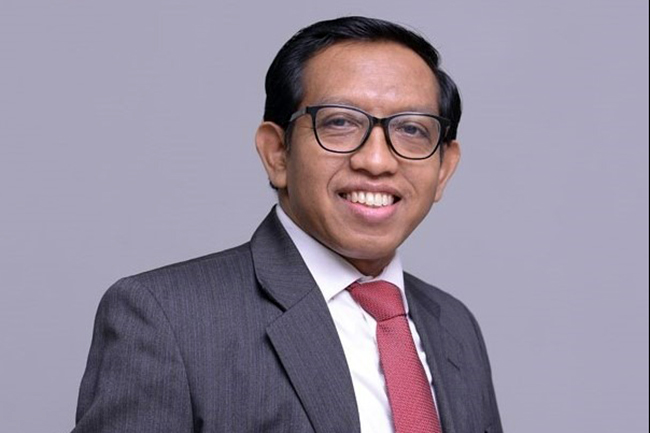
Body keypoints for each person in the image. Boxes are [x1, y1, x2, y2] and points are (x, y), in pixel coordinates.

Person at [73, 16, 502, 433]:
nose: (376, 161)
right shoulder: (167, 317)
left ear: (444, 169)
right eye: (340, 122)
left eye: (411, 129)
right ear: (277, 153)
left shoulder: (454, 325)